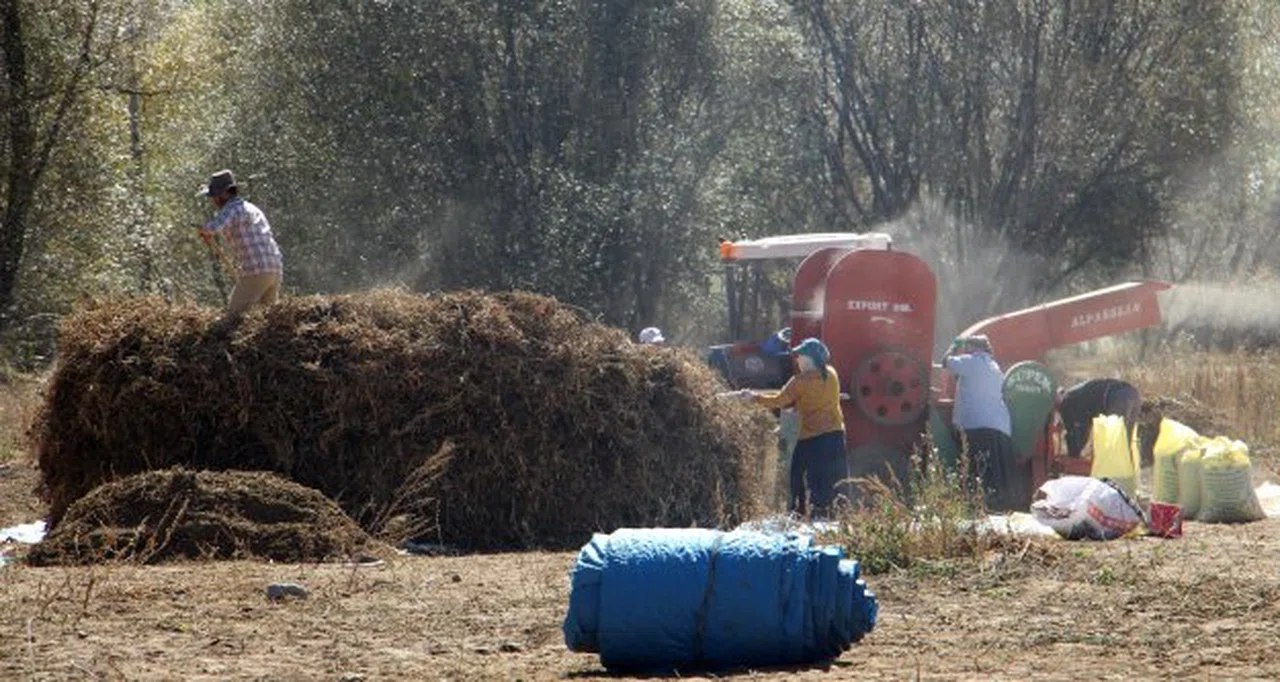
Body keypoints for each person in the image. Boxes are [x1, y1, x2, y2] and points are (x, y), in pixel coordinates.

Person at [740, 338, 848, 517]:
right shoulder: (831, 374)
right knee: (834, 477)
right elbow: (813, 398)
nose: (797, 359)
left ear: (809, 359)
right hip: (835, 434)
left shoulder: (800, 381)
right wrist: (797, 403)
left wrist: (752, 397)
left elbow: (779, 401)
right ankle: (835, 515)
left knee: (799, 475)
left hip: (812, 438)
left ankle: (800, 513)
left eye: (800, 356)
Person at [944, 335, 1021, 510]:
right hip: (999, 425)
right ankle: (1001, 507)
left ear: (972, 347)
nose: (966, 350)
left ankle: (980, 506)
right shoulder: (994, 366)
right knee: (997, 473)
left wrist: (953, 347)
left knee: (979, 470)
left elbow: (945, 362)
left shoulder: (970, 362)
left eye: (967, 346)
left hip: (977, 424)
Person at [196, 169, 284, 315]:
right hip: (275, 268)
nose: (213, 200)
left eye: (214, 196)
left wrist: (203, 230)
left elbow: (214, 227)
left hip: (257, 269)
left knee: (233, 316)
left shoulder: (231, 208)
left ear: (224, 193)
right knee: (266, 321)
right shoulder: (252, 208)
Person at [1057, 378, 1142, 459]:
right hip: (1133, 394)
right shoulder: (1076, 392)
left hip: (1116, 397)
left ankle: (1114, 472)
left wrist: (1073, 455)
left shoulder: (1067, 402)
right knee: (1125, 440)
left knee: (1114, 440)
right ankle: (1126, 471)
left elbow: (1076, 431)